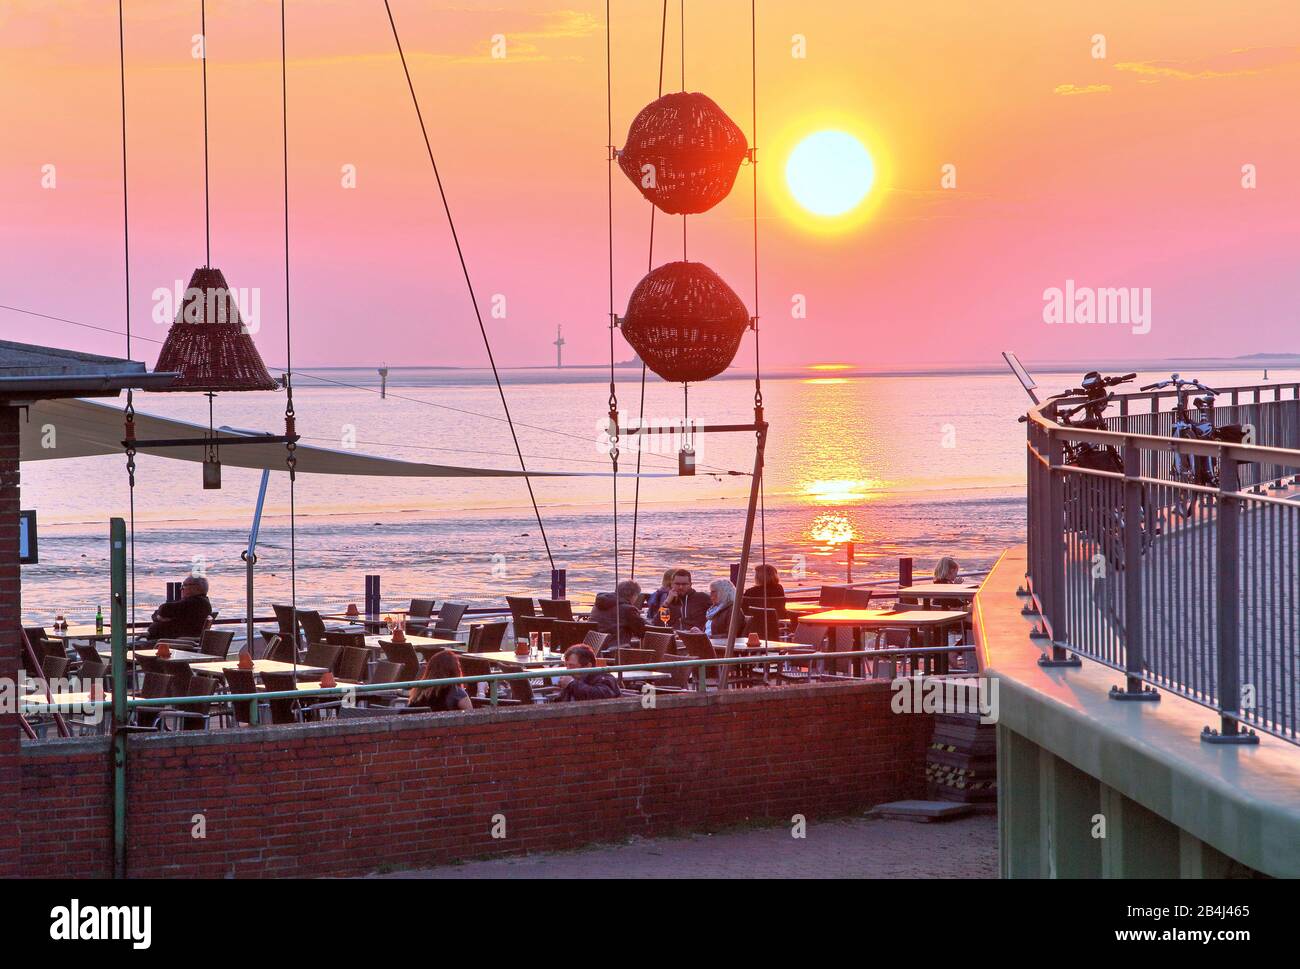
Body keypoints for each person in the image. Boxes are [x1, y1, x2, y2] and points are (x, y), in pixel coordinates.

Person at [145, 575, 213, 640]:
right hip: (170, 641)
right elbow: (157, 613)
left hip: (169, 643)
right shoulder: (201, 602)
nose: (181, 589)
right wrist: (158, 617)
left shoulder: (194, 603)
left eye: (184, 586)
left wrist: (159, 617)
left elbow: (164, 609)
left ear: (196, 588)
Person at [407, 649, 473, 711]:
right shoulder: (456, 692)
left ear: (430, 668)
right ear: (455, 670)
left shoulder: (418, 691)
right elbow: (471, 715)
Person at [550, 644, 621, 702]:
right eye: (566, 665)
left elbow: (600, 696)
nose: (568, 669)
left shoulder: (605, 678)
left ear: (588, 666)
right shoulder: (576, 679)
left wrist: (571, 683)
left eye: (572, 665)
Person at [589, 579, 646, 648]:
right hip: (616, 650)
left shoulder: (598, 605)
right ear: (633, 595)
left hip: (595, 646)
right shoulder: (628, 610)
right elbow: (642, 631)